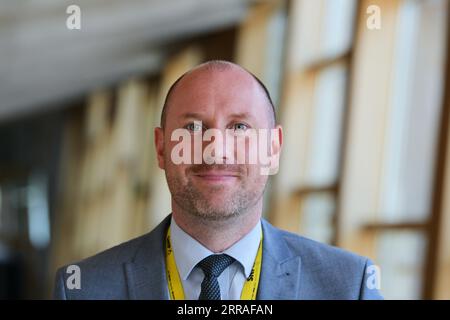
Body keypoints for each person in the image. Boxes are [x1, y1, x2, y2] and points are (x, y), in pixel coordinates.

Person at [54, 60, 382, 300]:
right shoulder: (83, 289)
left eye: (239, 127)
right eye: (194, 128)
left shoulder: (348, 286)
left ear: (272, 149)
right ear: (161, 147)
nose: (216, 151)